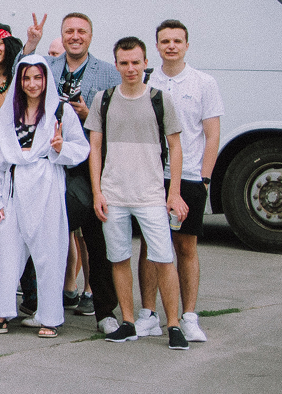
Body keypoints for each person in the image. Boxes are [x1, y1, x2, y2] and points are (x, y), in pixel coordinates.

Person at [0, 55, 88, 338]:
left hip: (47, 184)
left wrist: (61, 147)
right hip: (14, 187)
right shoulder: (10, 112)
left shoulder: (60, 111)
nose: (32, 84)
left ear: (46, 79)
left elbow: (81, 149)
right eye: (26, 78)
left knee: (50, 251)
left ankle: (49, 317)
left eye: (38, 77)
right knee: (6, 251)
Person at [89, 37, 190, 350]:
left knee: (164, 259)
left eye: (136, 62)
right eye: (124, 63)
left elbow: (175, 146)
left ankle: (173, 325)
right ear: (116, 64)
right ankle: (128, 322)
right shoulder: (104, 99)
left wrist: (174, 193)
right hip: (114, 194)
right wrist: (97, 192)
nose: (130, 68)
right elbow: (94, 147)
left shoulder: (160, 99)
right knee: (119, 258)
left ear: (146, 63)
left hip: (150, 195)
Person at [143, 19, 221, 343]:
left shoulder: (204, 83)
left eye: (177, 40)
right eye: (165, 41)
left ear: (187, 45)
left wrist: (204, 180)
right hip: (151, 176)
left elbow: (212, 135)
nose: (171, 46)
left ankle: (188, 316)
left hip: (189, 176)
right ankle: (148, 315)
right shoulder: (146, 81)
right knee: (150, 245)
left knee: (185, 246)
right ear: (157, 46)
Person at [47, 13, 124, 334]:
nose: (75, 36)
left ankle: (105, 311)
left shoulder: (107, 73)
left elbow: (120, 122)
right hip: (51, 163)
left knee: (97, 240)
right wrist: (32, 44)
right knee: (49, 236)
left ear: (90, 36)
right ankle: (46, 306)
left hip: (90, 166)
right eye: (69, 31)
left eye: (81, 31)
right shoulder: (47, 67)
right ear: (62, 35)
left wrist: (89, 114)